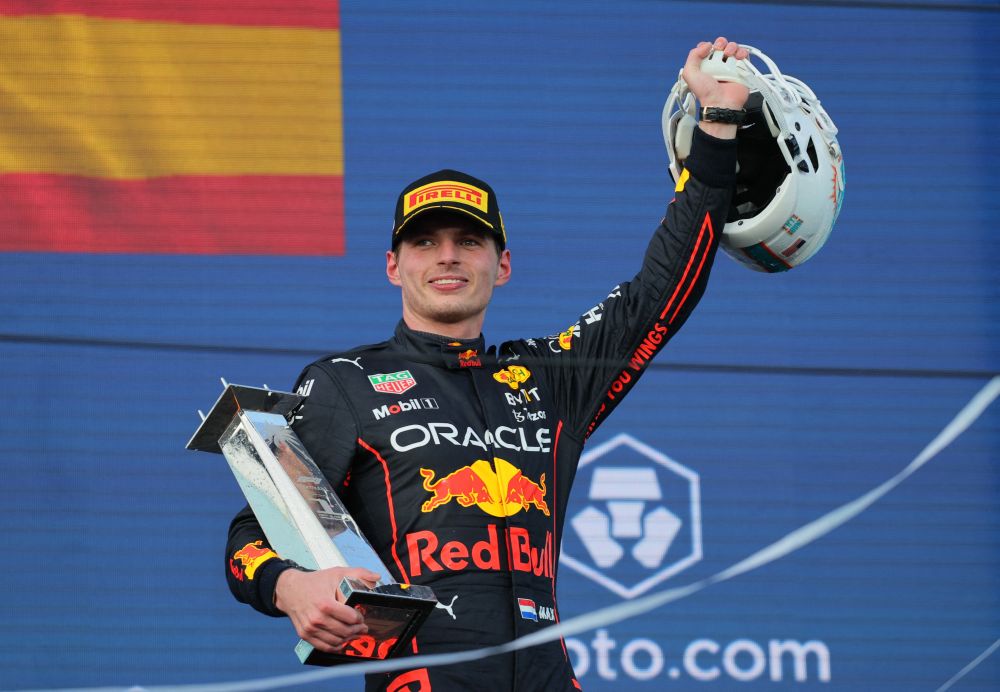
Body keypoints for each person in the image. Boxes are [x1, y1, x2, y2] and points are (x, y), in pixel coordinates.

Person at [226, 37, 751, 691]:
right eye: (425, 242)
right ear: (394, 266)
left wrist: (719, 122)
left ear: (501, 266)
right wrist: (292, 587)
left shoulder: (548, 378)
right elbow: (252, 533)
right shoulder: (343, 382)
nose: (447, 256)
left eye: (468, 241)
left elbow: (661, 293)